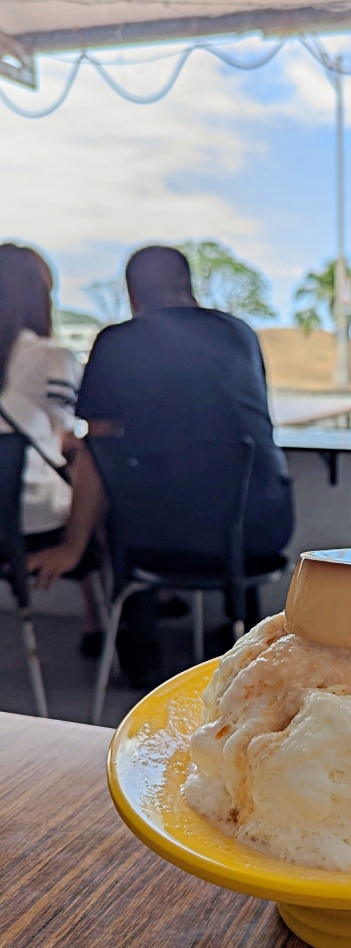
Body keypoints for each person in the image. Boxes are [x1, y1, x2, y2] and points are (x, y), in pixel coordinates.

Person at [28, 245, 294, 682]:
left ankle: (140, 649)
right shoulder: (240, 334)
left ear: (133, 294)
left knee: (126, 505)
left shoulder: (118, 341)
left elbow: (98, 450)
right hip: (263, 531)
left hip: (161, 540)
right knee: (220, 498)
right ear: (189, 286)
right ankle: (239, 635)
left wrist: (73, 545)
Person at [0, 243, 101, 648]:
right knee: (90, 477)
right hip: (27, 523)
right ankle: (102, 624)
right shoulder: (52, 357)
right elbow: (65, 438)